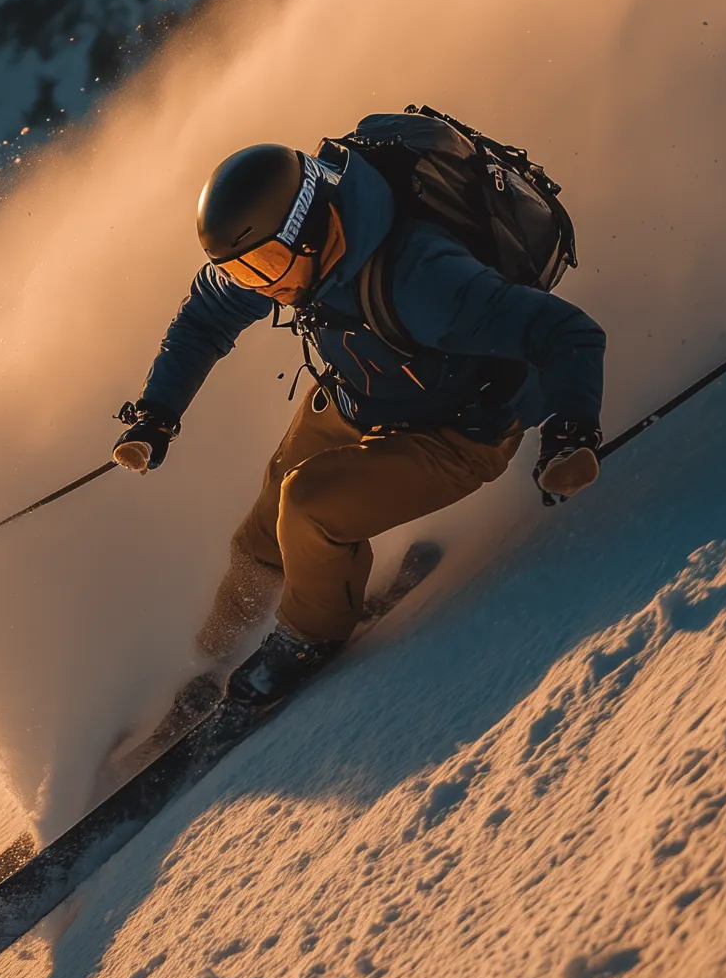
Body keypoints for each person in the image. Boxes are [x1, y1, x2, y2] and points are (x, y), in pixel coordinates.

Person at [112, 135, 606, 707]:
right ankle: (210, 654)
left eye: (267, 265)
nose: (263, 285)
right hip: (362, 394)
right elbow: (204, 320)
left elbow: (566, 332)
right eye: (245, 274)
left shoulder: (423, 280)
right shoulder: (287, 250)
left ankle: (304, 639)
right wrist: (157, 414)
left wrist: (570, 431)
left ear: (309, 224)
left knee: (309, 505)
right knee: (261, 534)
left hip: (454, 433)